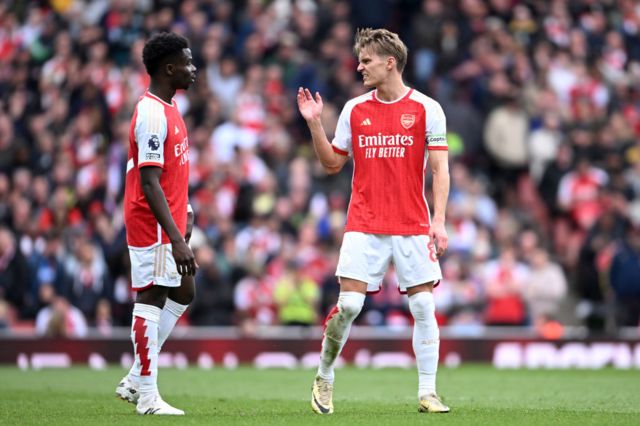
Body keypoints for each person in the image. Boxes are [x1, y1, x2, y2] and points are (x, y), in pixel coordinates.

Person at [297, 28, 450, 414]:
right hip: (364, 223)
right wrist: (315, 124)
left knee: (423, 309)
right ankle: (325, 377)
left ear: (389, 63)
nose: (359, 66)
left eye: (366, 60)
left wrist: (440, 220)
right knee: (348, 305)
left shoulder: (427, 109)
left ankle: (428, 393)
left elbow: (439, 169)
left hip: (413, 224)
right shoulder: (354, 109)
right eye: (360, 60)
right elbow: (332, 164)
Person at [115, 32, 198, 416]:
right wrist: (176, 236)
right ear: (169, 68)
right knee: (150, 296)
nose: (193, 68)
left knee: (184, 290)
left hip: (170, 218)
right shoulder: (150, 113)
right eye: (188, 61)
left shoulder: (169, 107)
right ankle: (147, 396)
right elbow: (148, 180)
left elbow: (169, 173)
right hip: (152, 222)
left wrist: (187, 210)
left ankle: (135, 377)